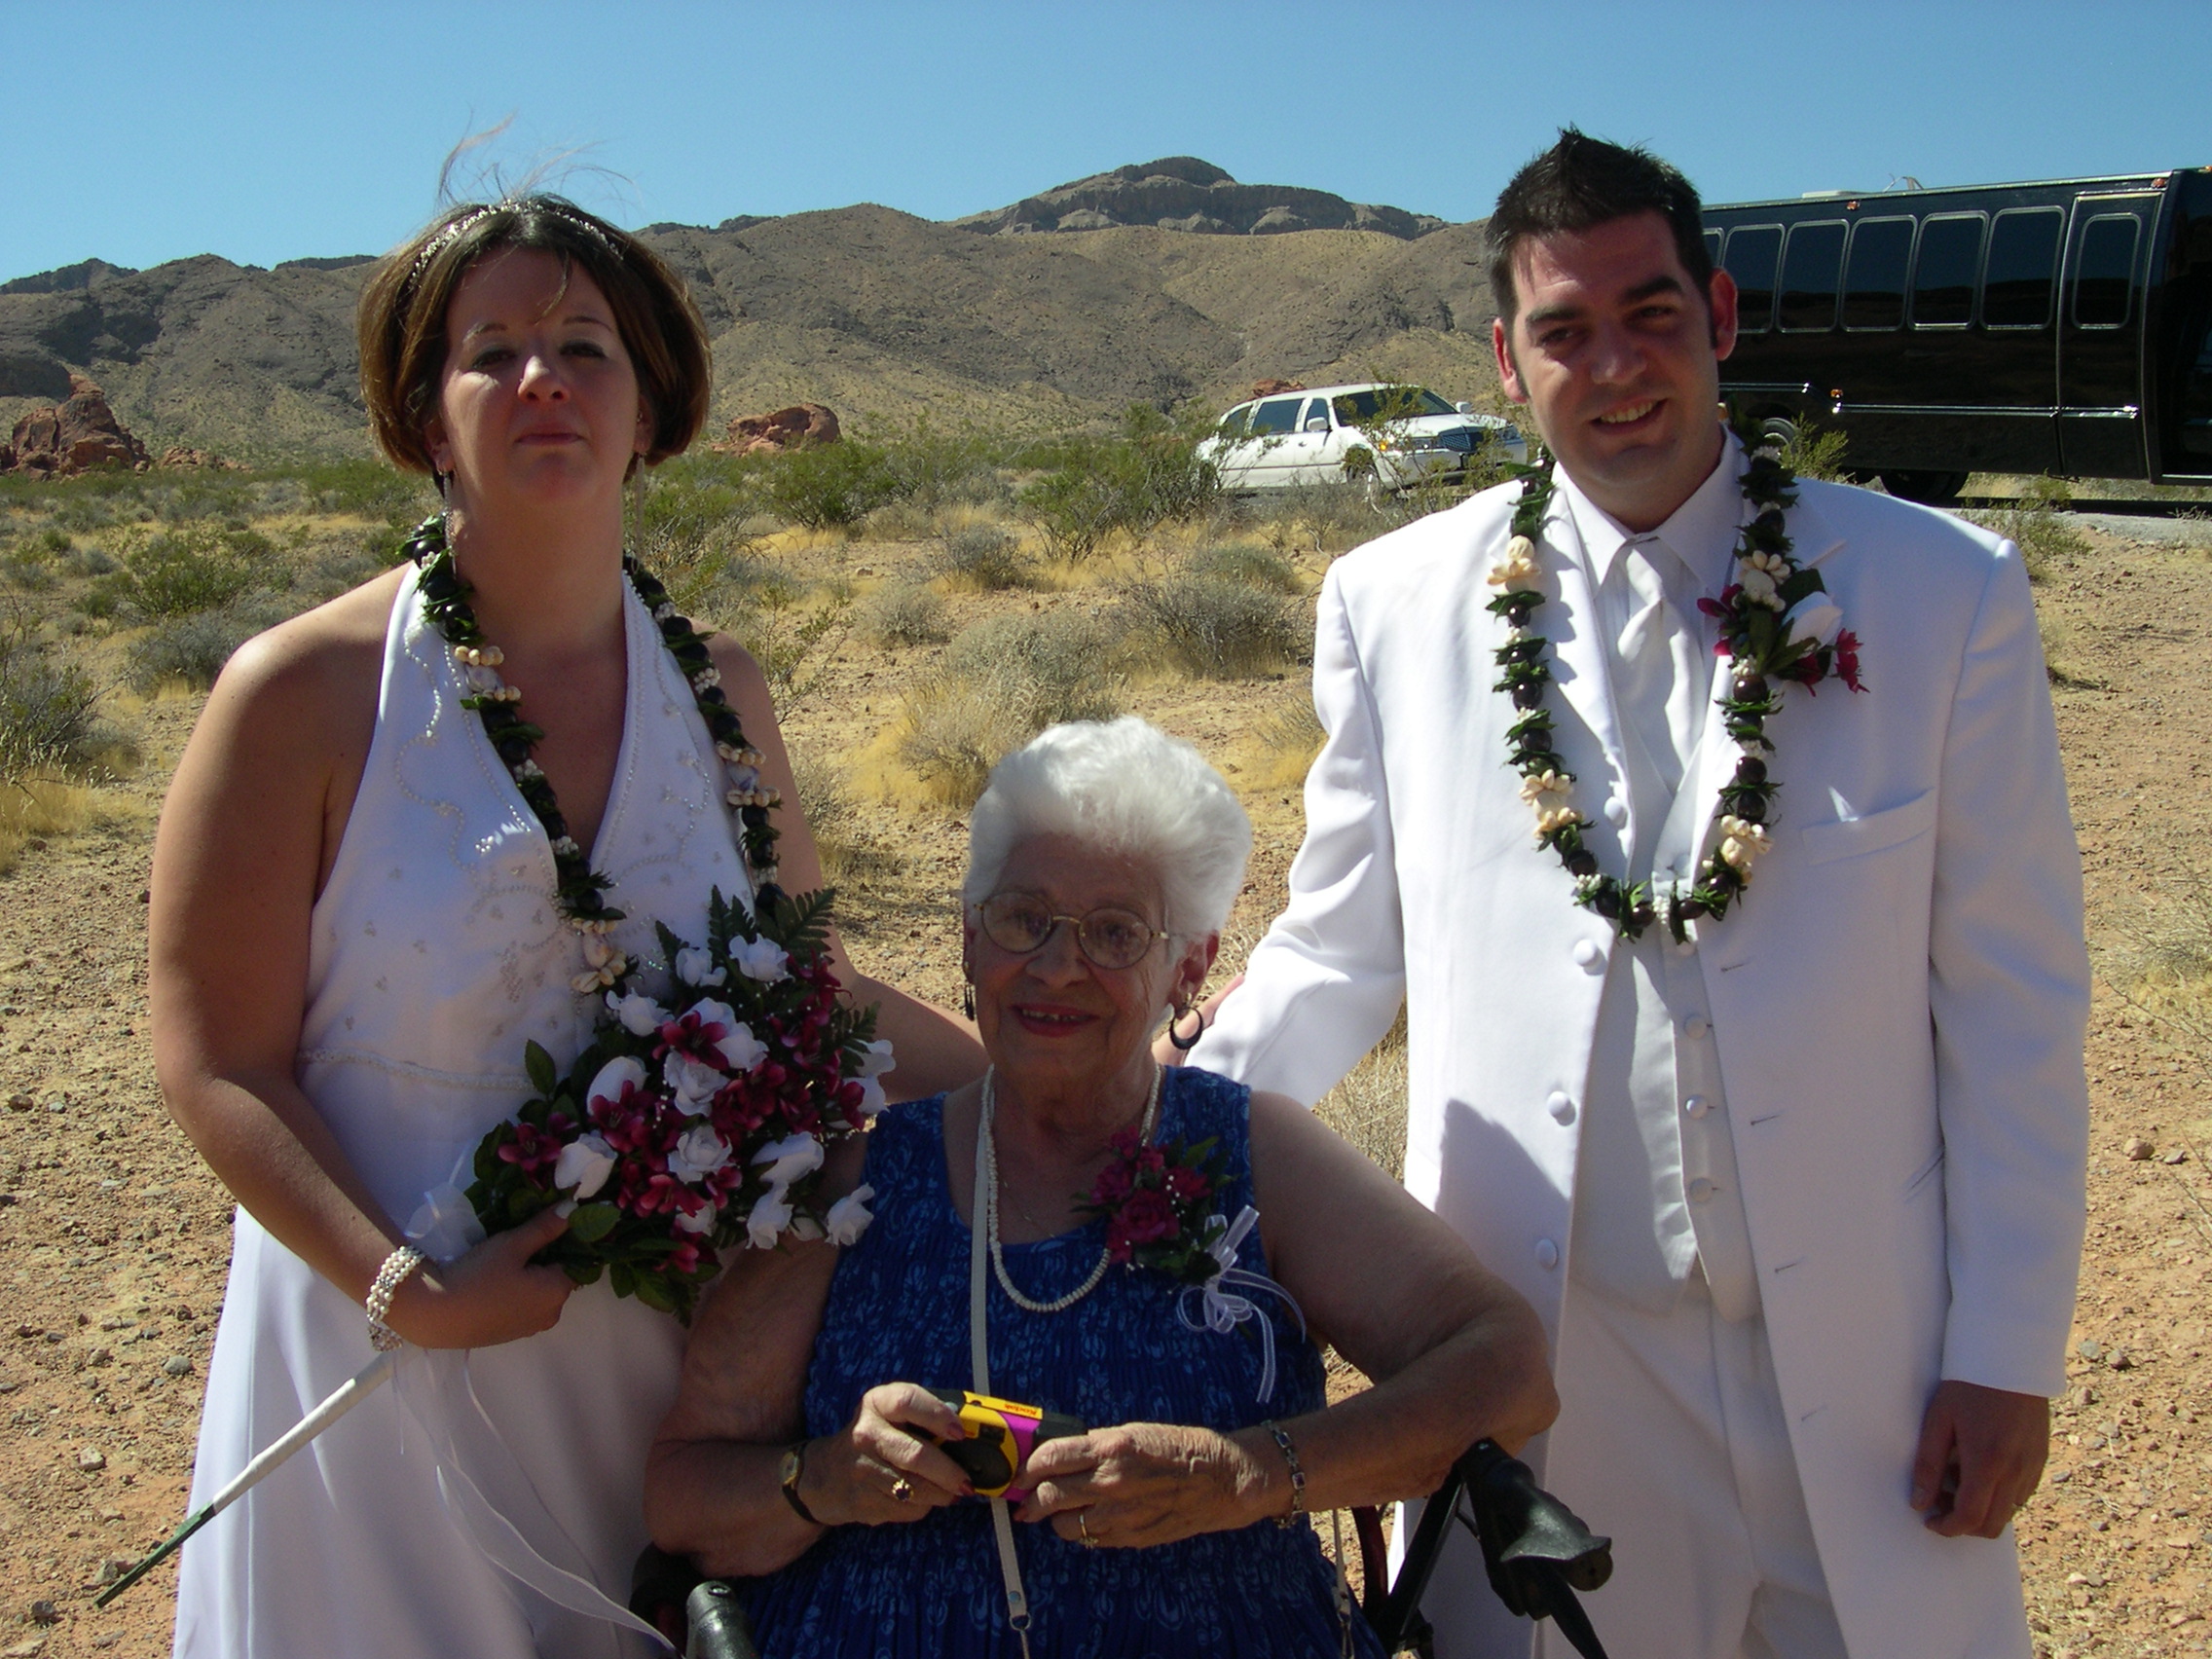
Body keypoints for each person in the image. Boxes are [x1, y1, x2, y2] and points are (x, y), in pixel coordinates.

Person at [1182, 130, 2089, 1659]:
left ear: (1721, 317)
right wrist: (1144, 1126)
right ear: (1505, 355)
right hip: (1554, 1381)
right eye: (1565, 331)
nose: (1616, 367)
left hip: (1870, 1387)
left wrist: (2008, 1355)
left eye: (1651, 315)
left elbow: (2011, 1007)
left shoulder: (1944, 594)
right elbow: (1339, 950)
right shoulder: (1395, 605)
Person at [149, 193, 982, 1659]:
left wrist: (1054, 1091)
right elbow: (217, 1061)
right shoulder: (298, 694)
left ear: (651, 404)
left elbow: (810, 989)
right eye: (494, 352)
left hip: (655, 1371)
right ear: (423, 414)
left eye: (585, 347)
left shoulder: (720, 689)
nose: (544, 380)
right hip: (380, 1350)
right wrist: (408, 1291)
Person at [645, 717, 1558, 1658]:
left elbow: (1506, 1368)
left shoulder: (1255, 1153)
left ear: (1189, 969)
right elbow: (684, 1489)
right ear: (966, 941)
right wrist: (824, 1480)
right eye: (1021, 918)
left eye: (1115, 932)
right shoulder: (852, 1182)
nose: (1054, 965)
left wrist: (1240, 1474)